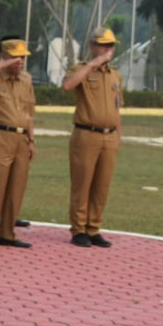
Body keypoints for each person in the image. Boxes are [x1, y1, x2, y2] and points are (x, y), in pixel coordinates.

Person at [62, 25, 123, 248]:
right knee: (82, 183)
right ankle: (79, 229)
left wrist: (118, 137)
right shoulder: (82, 69)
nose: (108, 50)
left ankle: (94, 227)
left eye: (111, 46)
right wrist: (92, 64)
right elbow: (68, 85)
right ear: (92, 46)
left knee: (102, 185)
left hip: (109, 136)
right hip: (86, 134)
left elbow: (117, 109)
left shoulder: (115, 75)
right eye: (103, 45)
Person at [0, 37, 36, 249]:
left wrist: (31, 139)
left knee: (16, 188)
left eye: (22, 58)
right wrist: (0, 65)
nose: (20, 61)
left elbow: (29, 112)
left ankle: (8, 233)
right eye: (15, 57)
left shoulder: (26, 80)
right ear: (4, 57)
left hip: (21, 138)